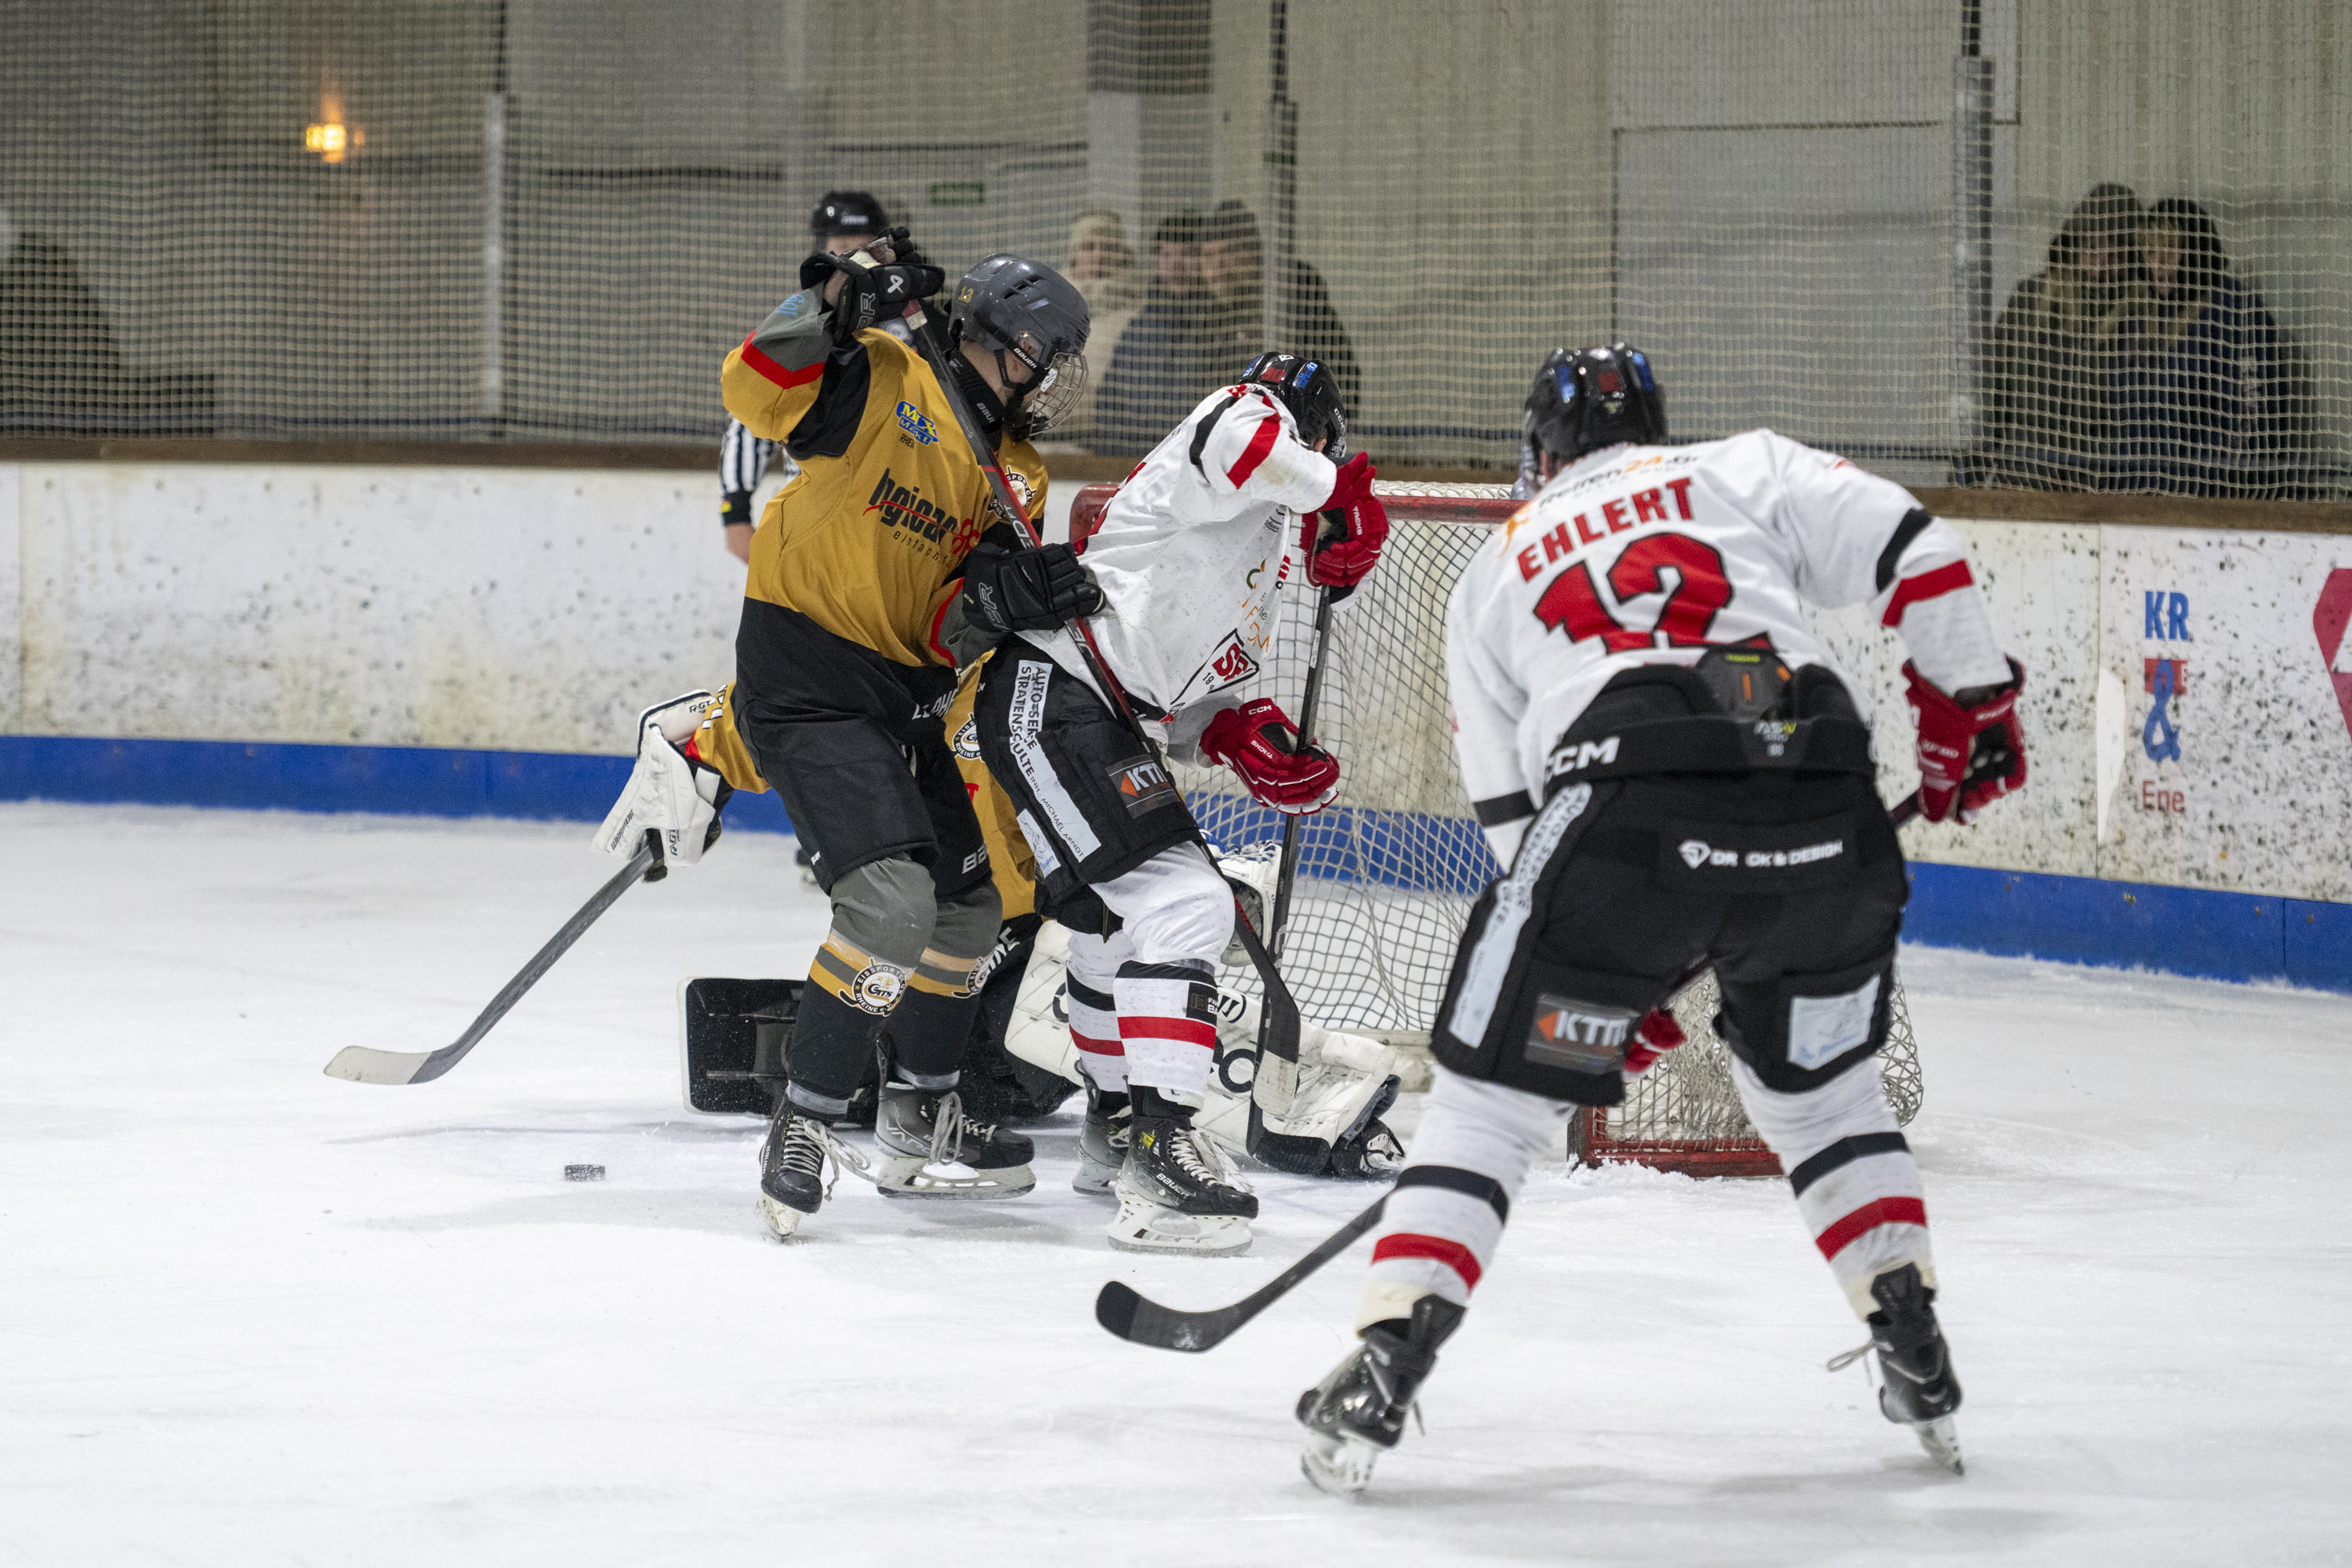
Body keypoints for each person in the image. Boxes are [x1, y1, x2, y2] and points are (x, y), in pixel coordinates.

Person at [1294, 343, 2028, 1493]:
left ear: (1538, 453)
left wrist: (1594, 976)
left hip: (1624, 816)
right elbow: (1913, 549)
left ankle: (1388, 1356)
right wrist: (1970, 700)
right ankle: (1914, 1343)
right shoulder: (1743, 468)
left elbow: (1512, 816)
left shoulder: (1497, 566)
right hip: (1825, 799)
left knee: (1488, 1110)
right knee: (1826, 1100)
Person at [615, 230, 1094, 1239]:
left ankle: (921, 1110)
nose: (1052, 385)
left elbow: (948, 627)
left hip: (904, 692)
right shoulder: (884, 373)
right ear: (1002, 345)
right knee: (889, 904)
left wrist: (1004, 595)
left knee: (967, 911)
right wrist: (836, 299)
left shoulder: (1016, 469)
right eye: (1046, 361)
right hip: (806, 673)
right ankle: (807, 1117)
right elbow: (752, 387)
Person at [967, 352, 1389, 1256]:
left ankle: (1117, 1127)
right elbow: (1248, 444)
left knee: (1113, 927)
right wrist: (1339, 486)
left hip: (1099, 709)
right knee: (1187, 903)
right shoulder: (1239, 415)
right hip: (1059, 692)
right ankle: (1160, 1150)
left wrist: (1242, 734)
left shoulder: (1261, 537)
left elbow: (1175, 680)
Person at [718, 193, 896, 566]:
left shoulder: (911, 327)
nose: (856, 260)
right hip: (808, 525)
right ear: (823, 252)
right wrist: (734, 512)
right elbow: (752, 415)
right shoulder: (802, 327)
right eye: (844, 249)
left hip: (892, 528)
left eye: (866, 249)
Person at [2105, 198, 2310, 497]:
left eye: (2170, 250)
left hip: (2204, 508)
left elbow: (2251, 424)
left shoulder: (2236, 313)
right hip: (2134, 507)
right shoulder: (2138, 320)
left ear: (2196, 252)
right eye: (2150, 252)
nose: (2159, 263)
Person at [1980, 183, 2143, 488]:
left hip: (2097, 491)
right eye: (2092, 245)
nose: (2101, 258)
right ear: (2075, 243)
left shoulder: (2142, 313)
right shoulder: (2030, 301)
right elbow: (1995, 393)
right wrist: (1980, 468)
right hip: (2024, 482)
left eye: (2114, 246)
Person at [1198, 201, 1360, 424]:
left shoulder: (1300, 304)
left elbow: (1343, 383)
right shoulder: (1206, 319)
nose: (1218, 267)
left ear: (1254, 253)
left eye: (1229, 252)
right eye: (1208, 256)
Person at [1094, 210, 1216, 455]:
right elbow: (1107, 406)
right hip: (1132, 462)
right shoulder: (1137, 330)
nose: (1175, 264)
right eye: (1166, 253)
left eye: (1187, 254)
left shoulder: (1219, 328)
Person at [1054, 209, 1144, 448]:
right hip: (1055, 440)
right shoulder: (1051, 311)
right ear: (1074, 254)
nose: (1099, 256)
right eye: (1088, 247)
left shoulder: (1139, 314)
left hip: (1117, 444)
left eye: (1109, 247)